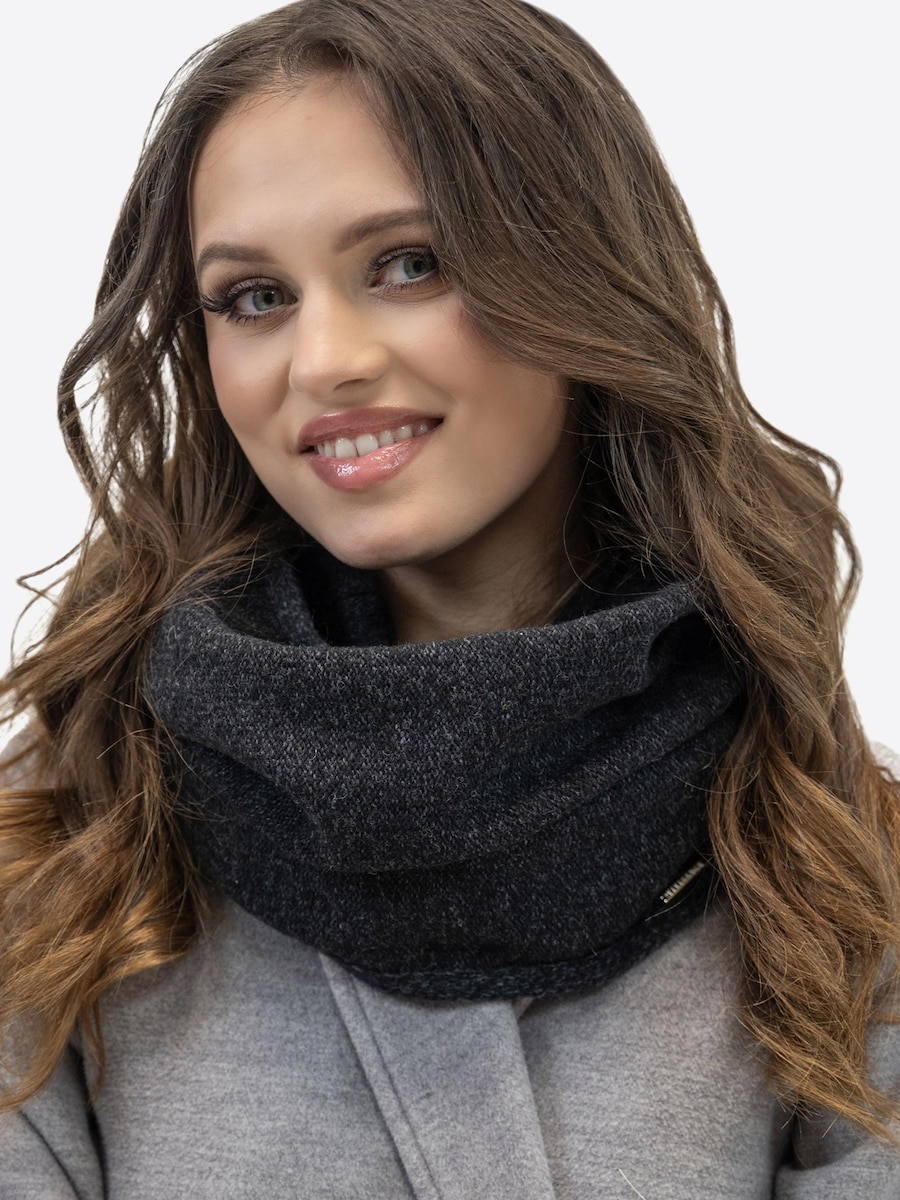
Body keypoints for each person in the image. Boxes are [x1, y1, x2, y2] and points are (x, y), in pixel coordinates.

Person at [1, 0, 897, 1194]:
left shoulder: (824, 846)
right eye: (254, 297)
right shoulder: (63, 842)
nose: (325, 361)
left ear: (581, 273)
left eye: (409, 263)